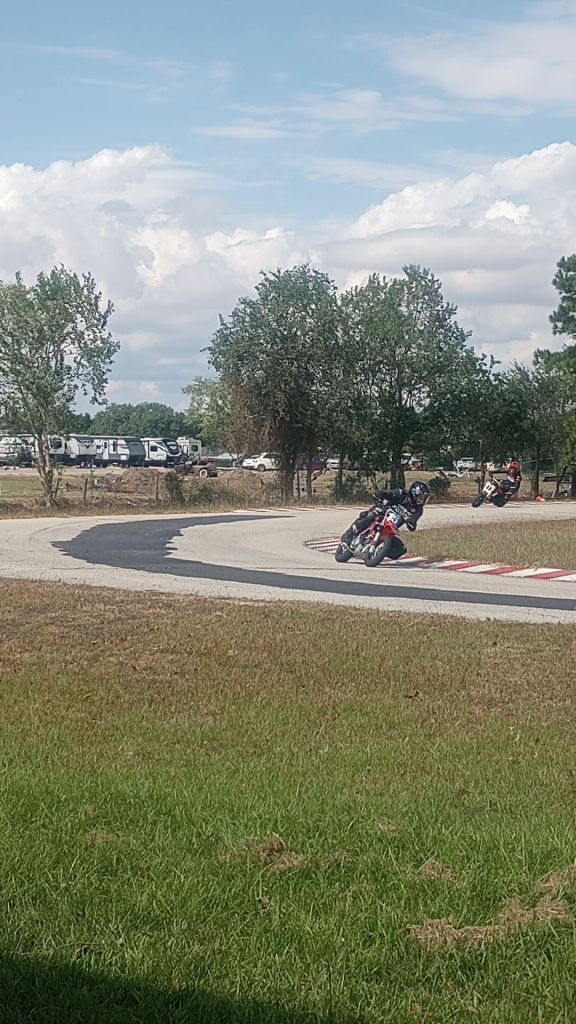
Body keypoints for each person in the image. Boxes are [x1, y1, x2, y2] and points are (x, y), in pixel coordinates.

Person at [340, 479, 431, 557]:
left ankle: (379, 550)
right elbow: (390, 494)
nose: (422, 500)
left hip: (391, 527)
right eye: (420, 497)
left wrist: (411, 522)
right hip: (382, 511)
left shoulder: (418, 510)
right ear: (413, 493)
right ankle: (350, 534)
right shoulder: (402, 494)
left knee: (401, 550)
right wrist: (381, 493)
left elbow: (413, 522)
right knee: (371, 515)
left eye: (424, 498)